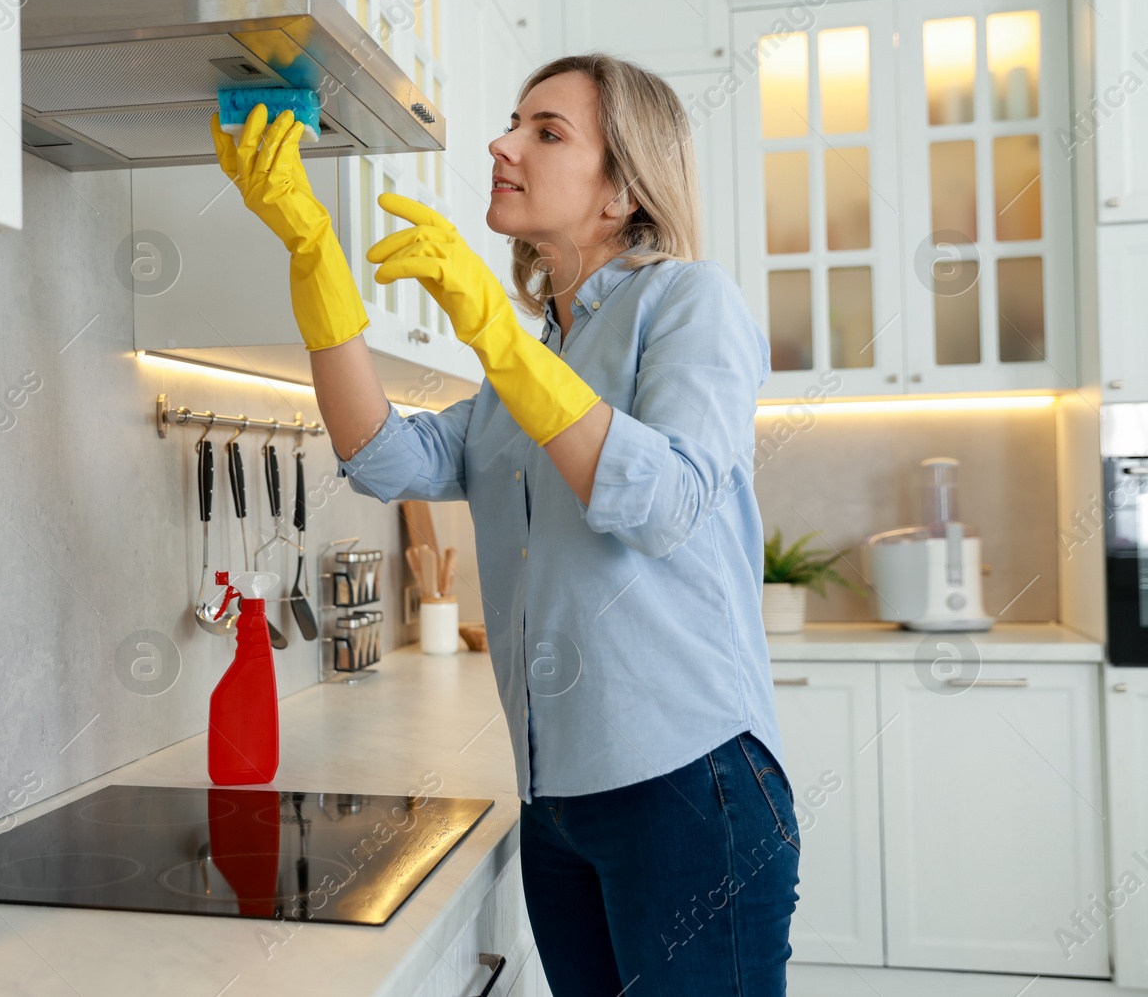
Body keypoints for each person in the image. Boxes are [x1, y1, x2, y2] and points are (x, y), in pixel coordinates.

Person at [212, 52, 800, 996]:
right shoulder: (531, 363)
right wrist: (312, 255)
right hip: (555, 803)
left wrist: (490, 325)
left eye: (547, 131)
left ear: (620, 191)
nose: (502, 143)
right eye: (514, 120)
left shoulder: (690, 304)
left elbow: (665, 502)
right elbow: (386, 459)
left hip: (691, 790)